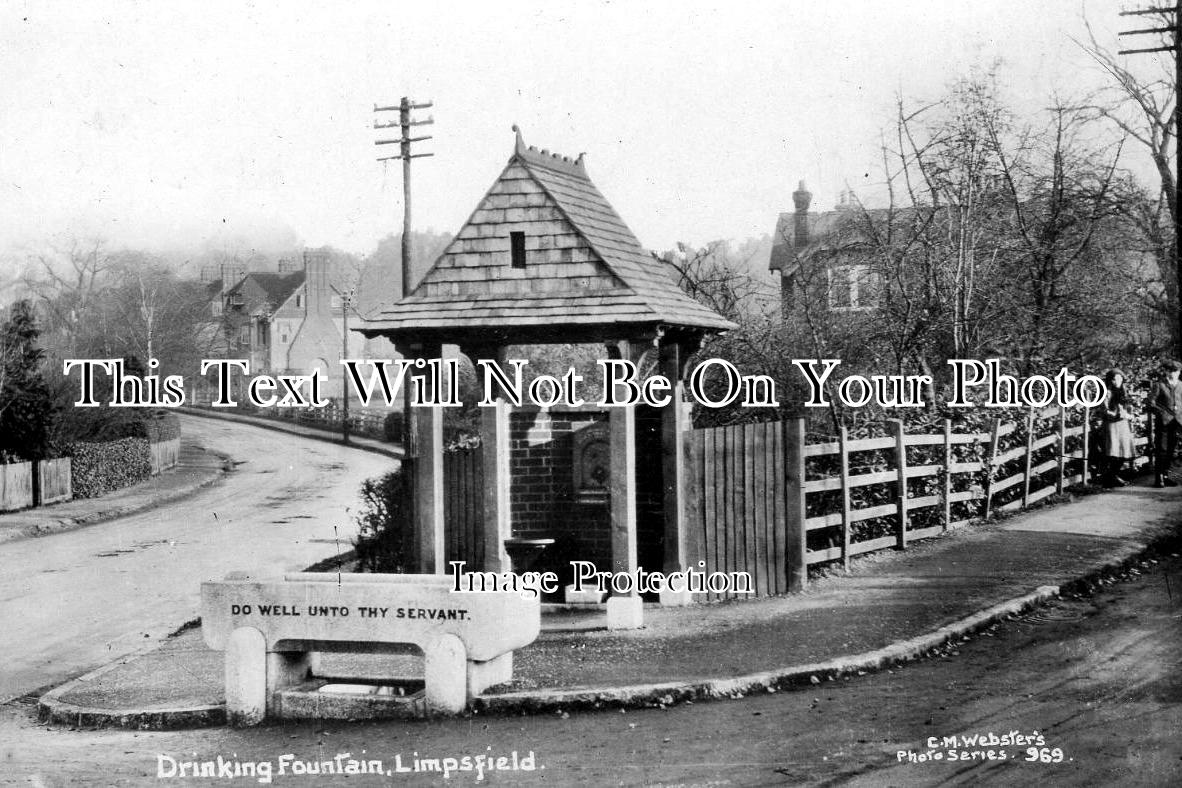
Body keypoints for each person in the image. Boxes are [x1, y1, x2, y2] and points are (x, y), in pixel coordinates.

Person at [1098, 368, 1134, 487]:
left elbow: (1128, 407)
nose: (1116, 381)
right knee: (1113, 452)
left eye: (1119, 378)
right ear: (1110, 381)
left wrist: (1129, 415)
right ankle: (1111, 477)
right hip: (1112, 424)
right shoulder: (1106, 392)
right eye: (1114, 379)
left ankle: (1113, 475)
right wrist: (1117, 414)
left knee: (1124, 451)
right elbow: (1104, 409)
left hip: (1123, 424)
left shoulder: (1123, 391)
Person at [1150, 359, 1182, 488]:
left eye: (1177, 371)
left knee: (1173, 450)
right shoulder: (1159, 385)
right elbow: (1151, 402)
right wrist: (1163, 413)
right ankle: (1159, 478)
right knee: (1161, 450)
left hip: (1178, 422)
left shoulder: (1181, 385)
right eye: (1172, 371)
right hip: (1163, 422)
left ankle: (1168, 476)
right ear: (1167, 372)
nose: (1174, 374)